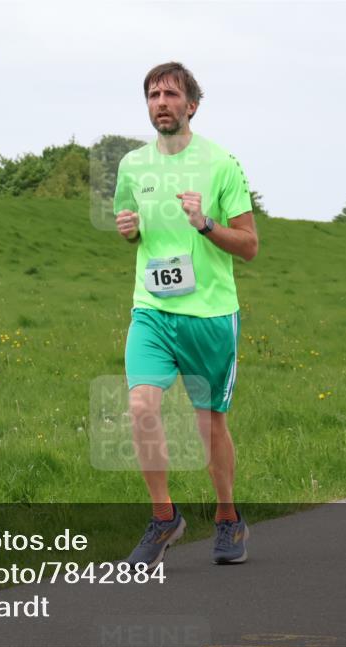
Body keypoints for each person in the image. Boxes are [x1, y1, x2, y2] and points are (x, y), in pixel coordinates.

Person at [112, 62, 258, 569]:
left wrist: (205, 224)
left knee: (209, 423)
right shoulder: (132, 166)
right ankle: (164, 517)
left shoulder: (222, 165)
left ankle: (227, 517)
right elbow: (133, 231)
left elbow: (250, 246)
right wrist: (128, 230)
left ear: (192, 105)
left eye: (171, 94)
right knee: (141, 408)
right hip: (152, 310)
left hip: (210, 315)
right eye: (153, 95)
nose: (161, 102)